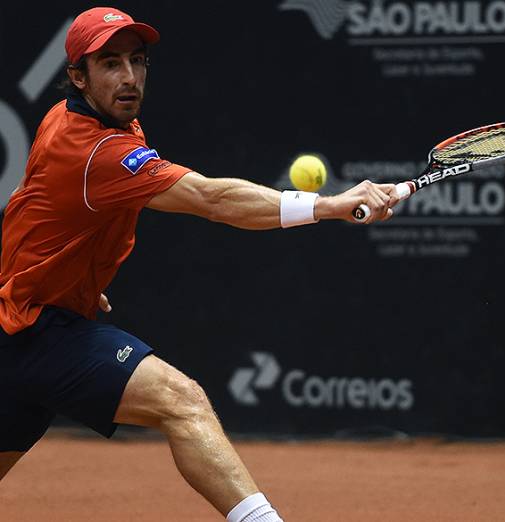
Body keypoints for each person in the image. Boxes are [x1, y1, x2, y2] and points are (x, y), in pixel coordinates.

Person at [0, 7, 398, 521]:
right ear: (78, 76)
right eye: (110, 64)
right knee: (181, 400)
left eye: (137, 61)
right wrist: (326, 205)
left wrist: (64, 276)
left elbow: (24, 201)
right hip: (39, 332)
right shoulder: (98, 150)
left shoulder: (68, 117)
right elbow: (211, 199)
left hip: (15, 330)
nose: (129, 78)